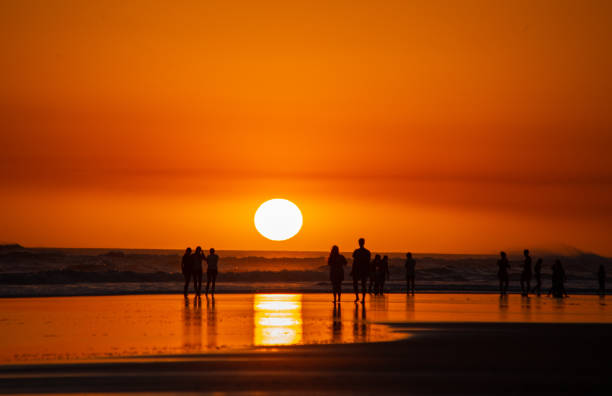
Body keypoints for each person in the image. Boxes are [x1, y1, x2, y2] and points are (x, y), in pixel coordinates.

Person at [351, 238, 371, 303]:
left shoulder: (358, 251)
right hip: (361, 270)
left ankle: (360, 298)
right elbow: (368, 263)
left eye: (360, 242)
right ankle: (360, 298)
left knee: (360, 284)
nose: (360, 243)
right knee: (361, 284)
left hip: (360, 270)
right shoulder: (366, 252)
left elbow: (355, 262)